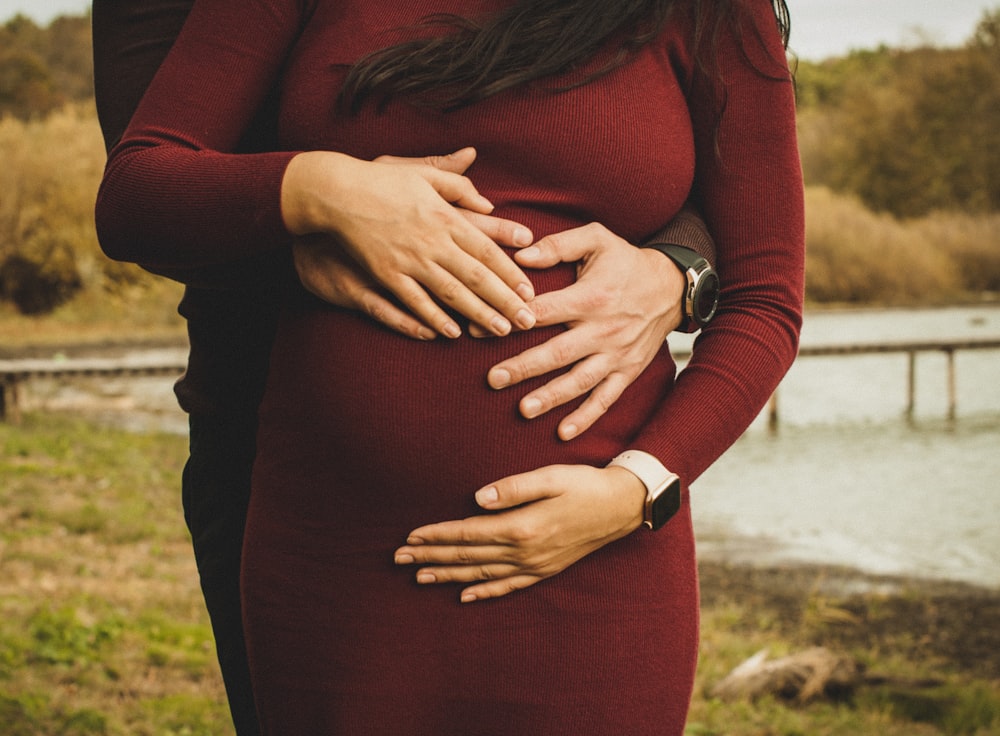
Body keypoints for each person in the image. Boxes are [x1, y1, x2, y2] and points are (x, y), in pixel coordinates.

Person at [95, 0, 803, 733]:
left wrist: (638, 491)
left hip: (594, 557)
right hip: (335, 552)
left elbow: (766, 302)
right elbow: (138, 193)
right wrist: (320, 189)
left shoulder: (711, 9)